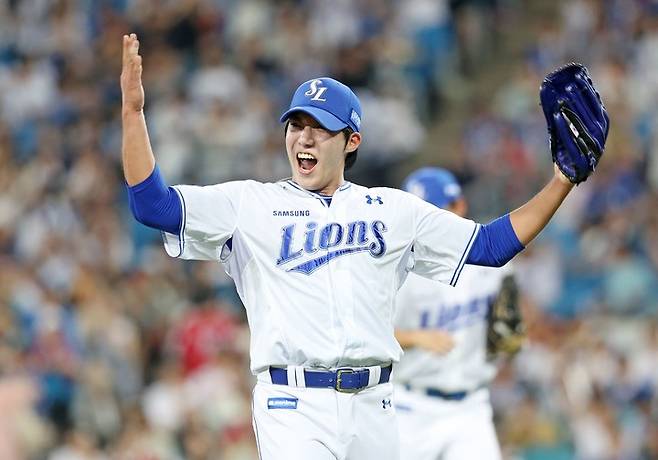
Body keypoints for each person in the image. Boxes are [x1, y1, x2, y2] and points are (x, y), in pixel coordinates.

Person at [120, 31, 587, 460]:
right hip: (293, 403)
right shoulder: (249, 204)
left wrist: (561, 182)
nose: (304, 137)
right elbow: (153, 206)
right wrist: (133, 115)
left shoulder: (392, 210)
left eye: (320, 127)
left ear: (351, 141)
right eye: (295, 125)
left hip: (375, 405)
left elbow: (489, 246)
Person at [394, 167, 518, 460]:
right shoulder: (398, 270)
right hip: (410, 406)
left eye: (433, 213)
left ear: (459, 206)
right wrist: (414, 337)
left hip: (471, 407)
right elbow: (365, 334)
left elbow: (509, 330)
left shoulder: (493, 264)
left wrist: (509, 337)